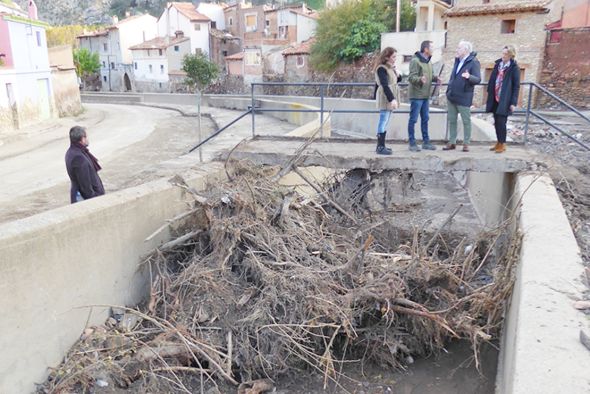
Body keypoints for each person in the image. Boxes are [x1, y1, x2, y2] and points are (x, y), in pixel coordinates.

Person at [443, 40, 481, 152]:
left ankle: (466, 143)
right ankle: (452, 142)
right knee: (452, 120)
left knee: (466, 120)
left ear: (466, 50)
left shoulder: (473, 62)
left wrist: (469, 76)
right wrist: (449, 89)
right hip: (452, 95)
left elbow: (478, 79)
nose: (457, 50)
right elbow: (453, 76)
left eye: (459, 48)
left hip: (464, 96)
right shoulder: (457, 61)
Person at [407, 40, 441, 152]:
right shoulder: (415, 61)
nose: (433, 49)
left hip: (425, 96)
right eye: (431, 47)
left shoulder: (428, 62)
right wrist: (420, 80)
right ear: (425, 49)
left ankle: (426, 142)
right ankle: (412, 143)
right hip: (417, 95)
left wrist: (436, 78)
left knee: (425, 119)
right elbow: (411, 77)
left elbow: (428, 76)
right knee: (413, 119)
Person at [486, 45, 520, 153]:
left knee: (502, 121)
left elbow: (516, 86)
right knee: (496, 121)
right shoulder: (498, 65)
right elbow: (493, 78)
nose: (503, 56)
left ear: (511, 55)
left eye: (506, 54)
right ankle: (498, 142)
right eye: (503, 53)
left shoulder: (514, 68)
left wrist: (513, 102)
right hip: (495, 96)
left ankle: (503, 143)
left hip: (505, 98)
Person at [65, 126, 105, 203]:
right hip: (87, 200)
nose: (88, 139)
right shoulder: (78, 157)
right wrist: (95, 199)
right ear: (82, 139)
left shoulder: (73, 152)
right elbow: (85, 186)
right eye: (87, 137)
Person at [373, 47, 401, 155]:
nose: (395, 59)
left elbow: (396, 80)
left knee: (386, 120)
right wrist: (392, 99)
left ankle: (382, 145)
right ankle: (380, 146)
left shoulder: (390, 68)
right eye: (393, 57)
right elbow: (385, 85)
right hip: (386, 96)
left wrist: (397, 72)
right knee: (383, 120)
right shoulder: (381, 68)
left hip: (389, 94)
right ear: (387, 57)